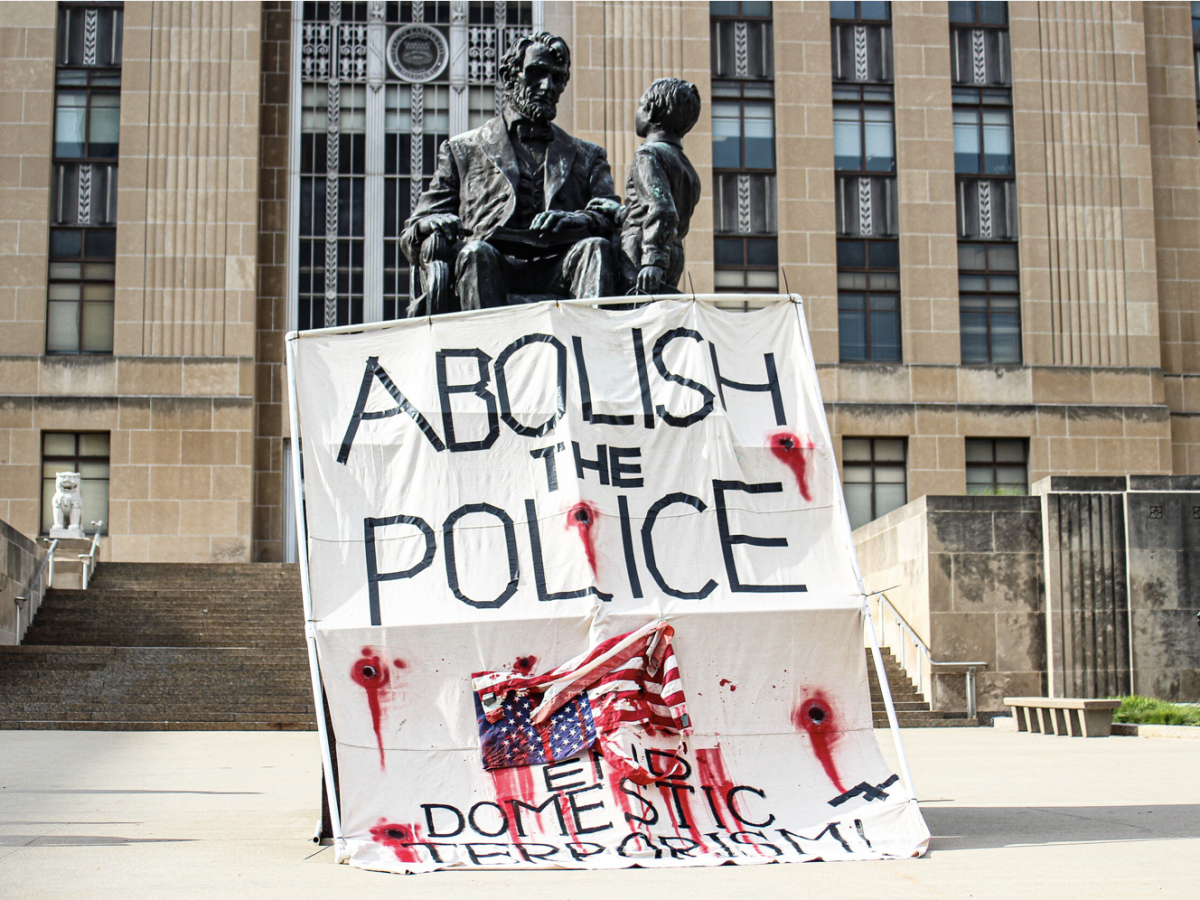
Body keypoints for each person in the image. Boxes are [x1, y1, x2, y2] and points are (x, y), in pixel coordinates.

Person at [400, 32, 620, 312]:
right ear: (510, 76)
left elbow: (611, 214)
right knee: (475, 253)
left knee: (596, 249)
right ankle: (487, 352)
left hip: (559, 267)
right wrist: (430, 223)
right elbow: (411, 233)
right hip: (492, 263)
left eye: (557, 78)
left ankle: (593, 351)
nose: (547, 86)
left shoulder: (587, 155)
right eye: (536, 73)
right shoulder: (463, 150)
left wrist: (575, 220)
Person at [618, 78, 703, 295]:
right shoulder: (686, 167)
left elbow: (662, 209)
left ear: (651, 112)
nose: (636, 112)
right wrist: (619, 213)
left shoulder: (648, 155)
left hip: (643, 248)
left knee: (634, 312)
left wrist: (652, 261)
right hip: (673, 252)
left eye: (640, 106)